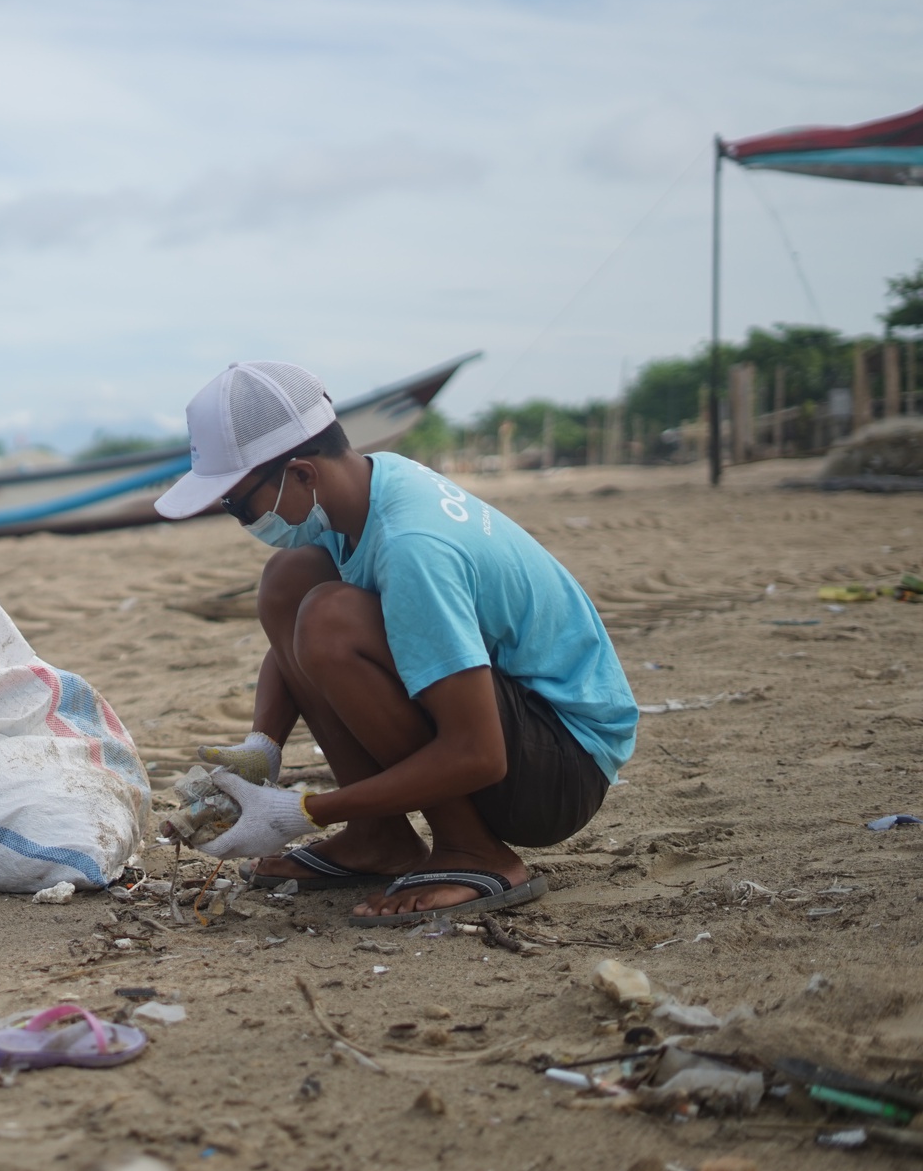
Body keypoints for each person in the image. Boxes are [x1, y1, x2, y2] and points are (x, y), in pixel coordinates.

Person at [153, 362, 636, 924]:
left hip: (562, 767)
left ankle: (475, 852)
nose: (239, 519)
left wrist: (303, 811)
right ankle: (376, 837)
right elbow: (294, 646)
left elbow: (479, 753)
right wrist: (264, 745)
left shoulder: (413, 546)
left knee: (329, 618)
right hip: (519, 734)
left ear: (303, 475)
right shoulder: (366, 489)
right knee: (291, 581)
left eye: (238, 504)